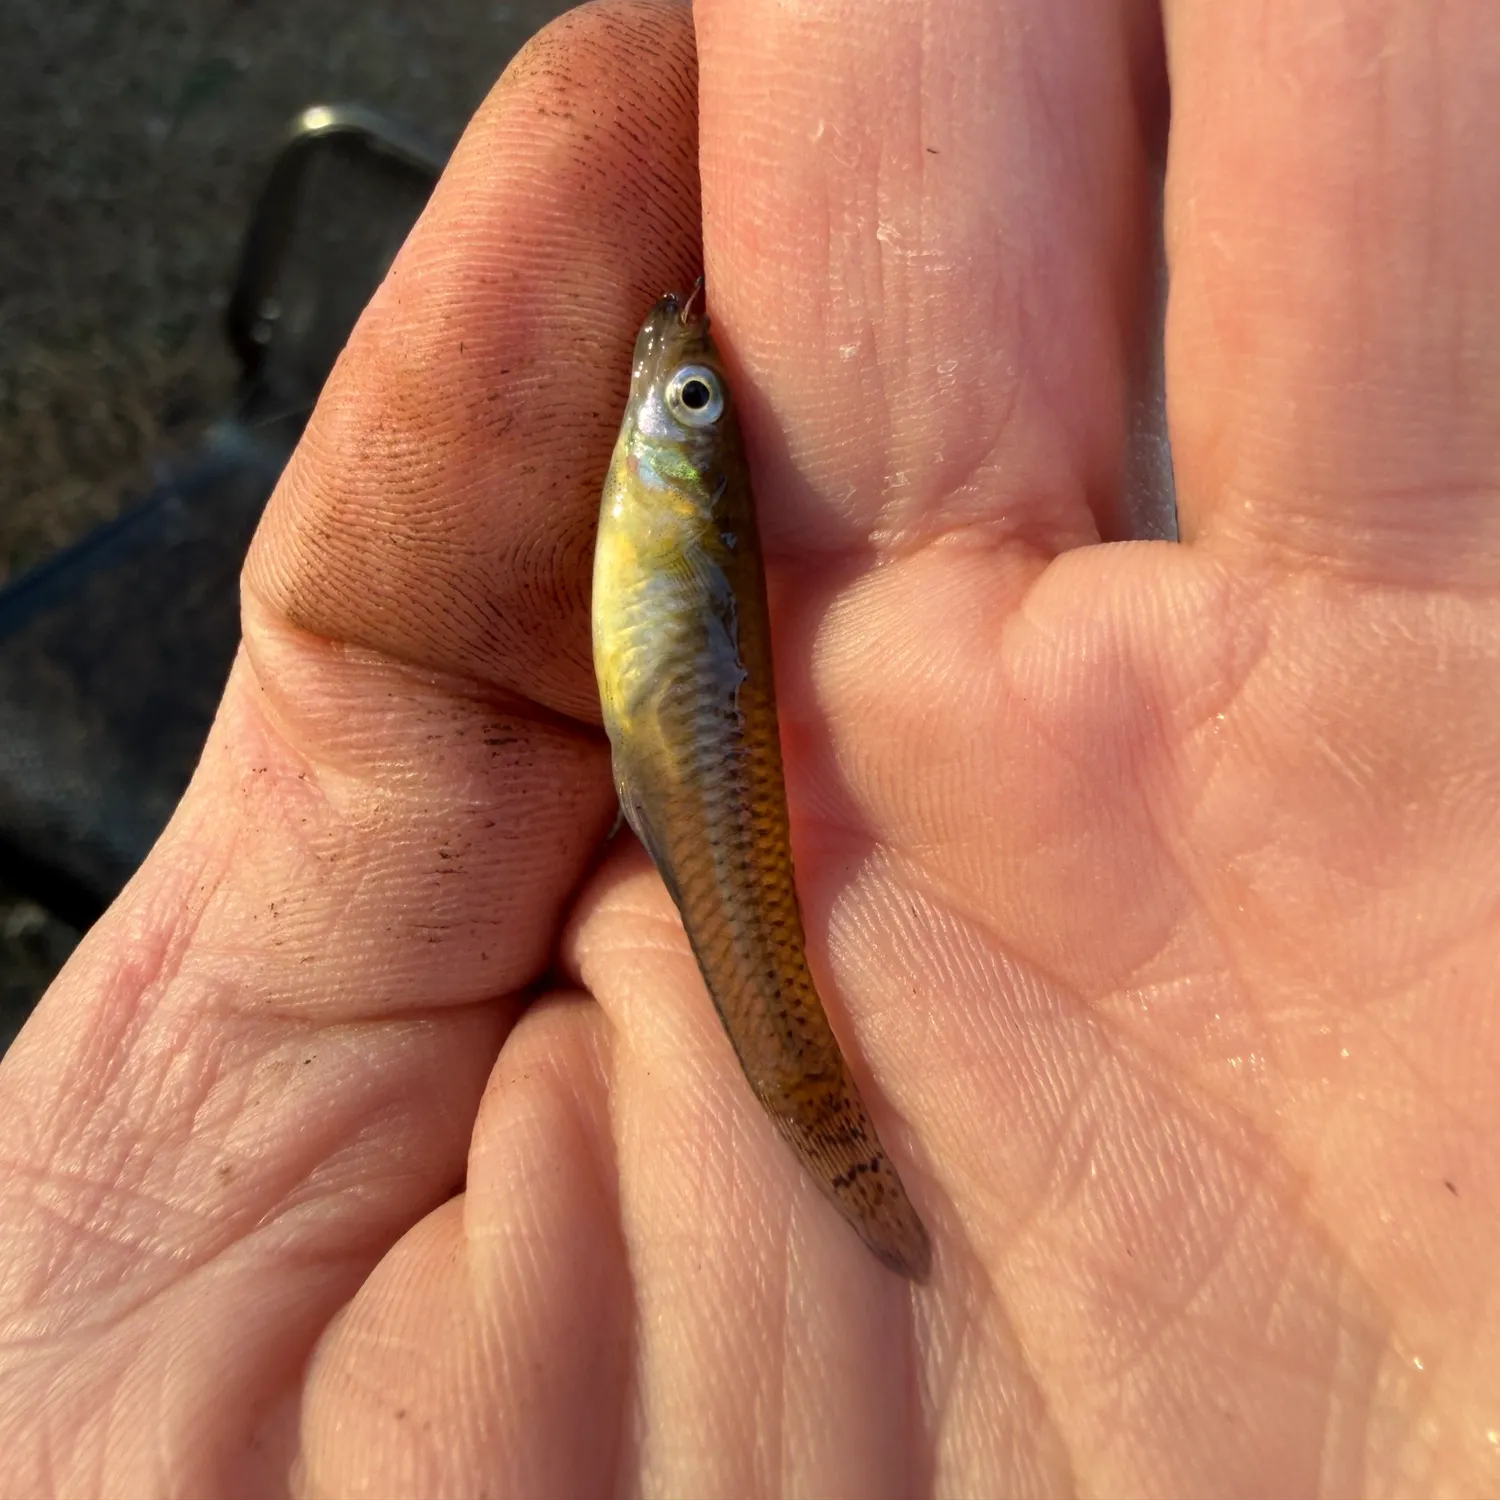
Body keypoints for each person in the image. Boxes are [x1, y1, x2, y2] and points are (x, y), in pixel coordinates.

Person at [2, 0, 1496, 1492]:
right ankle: (834, 1148)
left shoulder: (674, 494)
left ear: (689, 456)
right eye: (686, 398)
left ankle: (837, 1141)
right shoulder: (663, 491)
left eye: (691, 400)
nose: (672, 385)